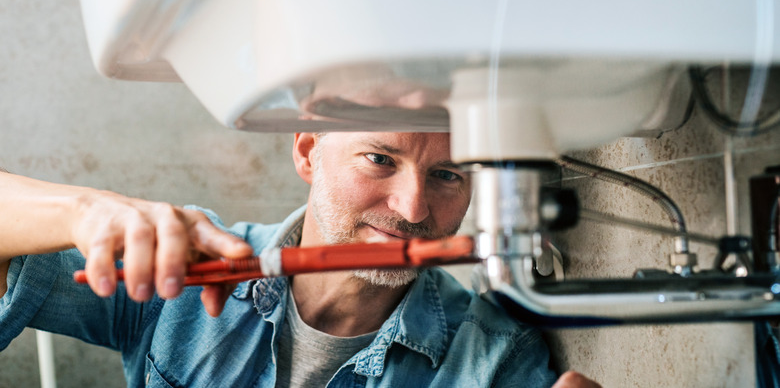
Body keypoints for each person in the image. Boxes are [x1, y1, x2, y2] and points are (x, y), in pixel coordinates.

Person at [0, 131, 600, 387]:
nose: (413, 207)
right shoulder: (179, 276)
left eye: (447, 174)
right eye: (380, 160)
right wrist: (81, 210)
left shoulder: (492, 359)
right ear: (309, 151)